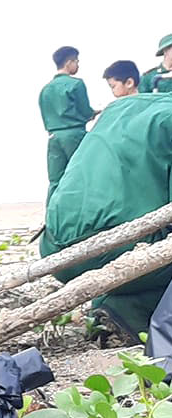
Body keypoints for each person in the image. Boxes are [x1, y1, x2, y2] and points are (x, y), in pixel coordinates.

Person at [43, 89, 172, 344]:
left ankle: (108, 307)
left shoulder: (121, 107)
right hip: (118, 249)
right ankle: (131, 310)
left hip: (54, 249)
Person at [39, 45, 94, 200]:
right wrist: (93, 113)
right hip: (74, 134)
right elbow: (85, 112)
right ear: (69, 62)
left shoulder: (45, 89)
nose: (78, 65)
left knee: (55, 180)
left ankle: (52, 216)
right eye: (76, 61)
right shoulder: (76, 84)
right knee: (82, 175)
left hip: (53, 136)